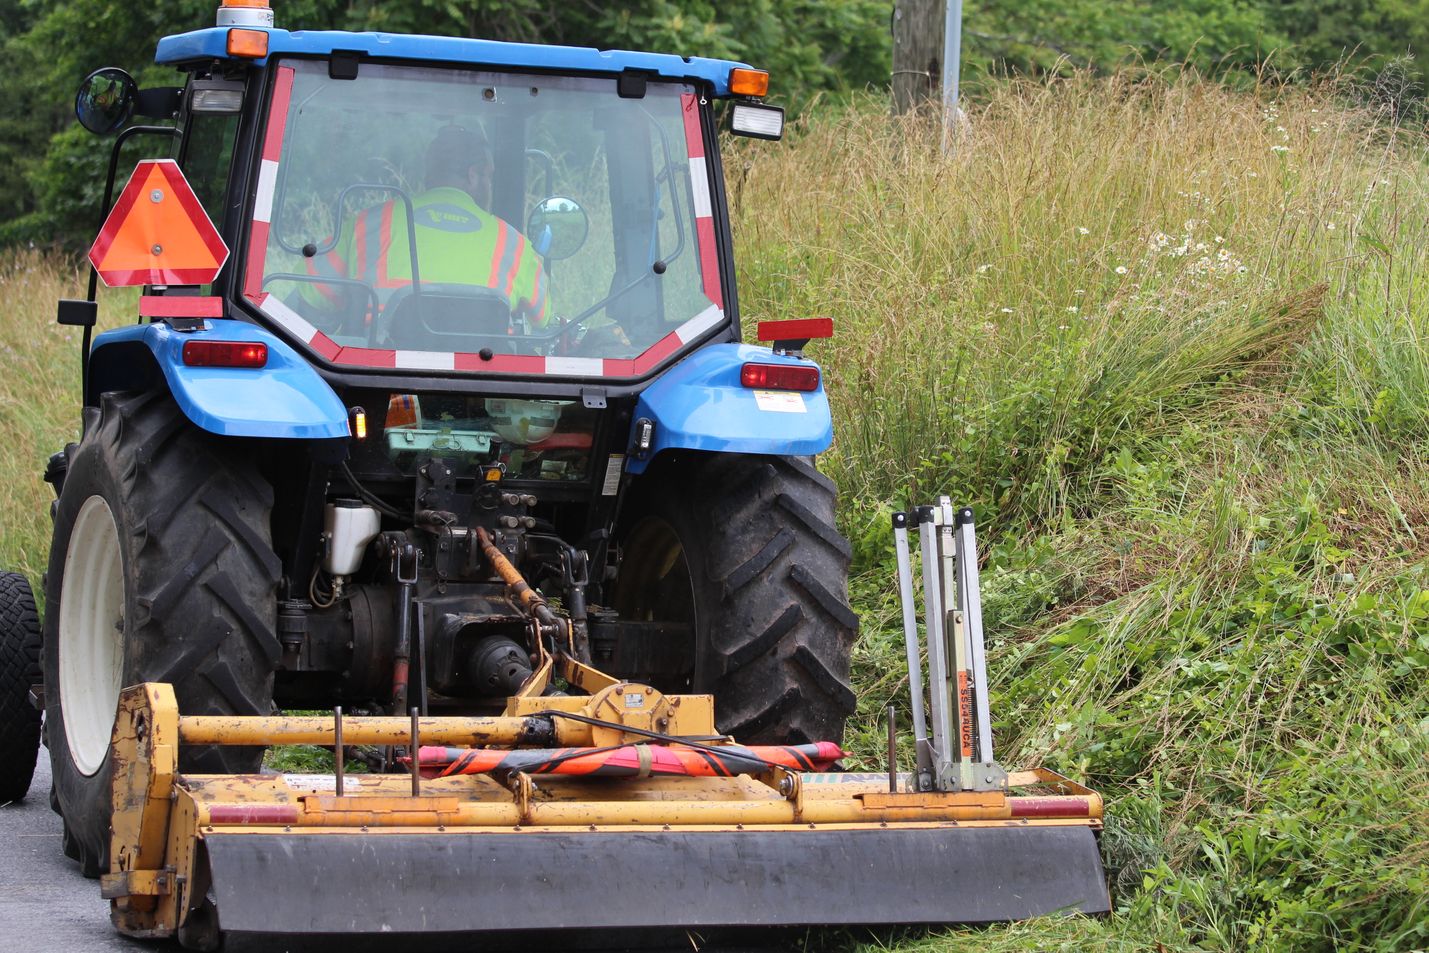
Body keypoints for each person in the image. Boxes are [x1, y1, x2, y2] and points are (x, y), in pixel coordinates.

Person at [305, 125, 548, 336]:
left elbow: (307, 298)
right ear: (474, 175)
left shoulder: (366, 224)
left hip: (379, 378)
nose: (489, 186)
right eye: (489, 178)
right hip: (480, 381)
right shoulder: (514, 243)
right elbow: (543, 320)